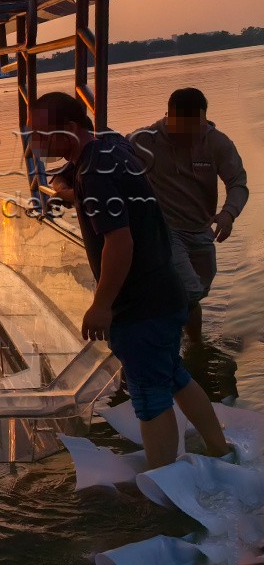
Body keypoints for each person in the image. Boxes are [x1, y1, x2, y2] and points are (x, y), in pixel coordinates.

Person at [30, 92, 229, 468]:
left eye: (40, 133)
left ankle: (164, 487)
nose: (33, 141)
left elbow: (119, 244)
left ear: (70, 130)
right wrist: (70, 190)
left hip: (141, 304)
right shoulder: (111, 144)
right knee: (175, 375)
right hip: (166, 290)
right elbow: (91, 181)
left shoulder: (94, 175)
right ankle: (221, 449)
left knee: (150, 397)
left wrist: (101, 305)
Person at [129, 88, 248, 343]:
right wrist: (65, 178)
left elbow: (238, 182)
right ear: (169, 117)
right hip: (165, 230)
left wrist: (229, 213)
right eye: (184, 128)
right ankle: (161, 345)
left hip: (201, 230)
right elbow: (105, 155)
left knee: (197, 293)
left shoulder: (217, 142)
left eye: (198, 127)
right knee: (189, 291)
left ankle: (195, 346)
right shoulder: (144, 140)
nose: (192, 135)